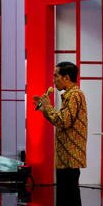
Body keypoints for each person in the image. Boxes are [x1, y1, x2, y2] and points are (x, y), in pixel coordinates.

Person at [33, 61, 87, 206]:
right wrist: (46, 109)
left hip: (70, 156)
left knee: (68, 198)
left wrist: (48, 108)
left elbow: (63, 121)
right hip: (66, 157)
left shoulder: (74, 95)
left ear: (66, 78)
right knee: (66, 197)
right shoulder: (71, 95)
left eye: (56, 76)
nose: (53, 80)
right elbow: (63, 121)